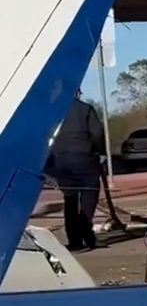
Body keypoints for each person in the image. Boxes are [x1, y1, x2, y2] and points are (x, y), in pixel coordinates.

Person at [50, 89, 105, 251]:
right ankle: (88, 235)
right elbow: (97, 133)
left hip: (63, 160)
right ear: (77, 93)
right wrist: (98, 151)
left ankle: (74, 240)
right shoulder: (86, 109)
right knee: (89, 197)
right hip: (85, 158)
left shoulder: (54, 112)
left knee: (70, 200)